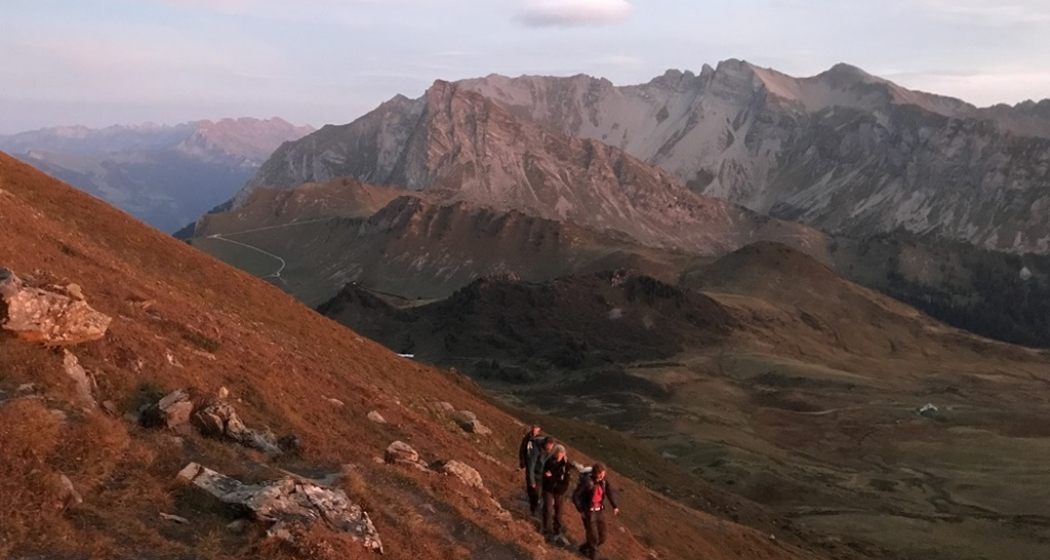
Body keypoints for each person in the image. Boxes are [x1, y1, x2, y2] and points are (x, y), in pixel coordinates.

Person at [571, 462, 619, 560]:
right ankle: (593, 556)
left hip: (599, 511)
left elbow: (609, 492)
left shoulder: (603, 481)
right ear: (595, 473)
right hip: (589, 512)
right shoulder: (587, 482)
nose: (602, 475)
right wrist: (581, 510)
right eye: (600, 473)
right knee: (593, 537)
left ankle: (583, 548)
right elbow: (575, 496)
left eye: (603, 473)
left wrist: (615, 506)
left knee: (602, 536)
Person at [541, 444, 572, 540]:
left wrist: (553, 477)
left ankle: (557, 528)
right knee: (548, 508)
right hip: (548, 488)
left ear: (563, 455)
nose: (557, 458)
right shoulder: (549, 461)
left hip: (559, 491)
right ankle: (547, 529)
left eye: (559, 456)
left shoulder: (566, 465)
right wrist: (556, 478)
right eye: (556, 455)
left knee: (559, 510)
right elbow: (545, 475)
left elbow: (565, 481)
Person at [526, 436, 556, 516]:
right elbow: (531, 466)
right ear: (545, 444)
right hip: (535, 474)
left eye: (551, 446)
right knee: (534, 492)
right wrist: (531, 480)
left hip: (543, 474)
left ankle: (537, 509)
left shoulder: (551, 451)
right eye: (548, 445)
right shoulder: (536, 450)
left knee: (541, 493)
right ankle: (533, 510)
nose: (550, 447)